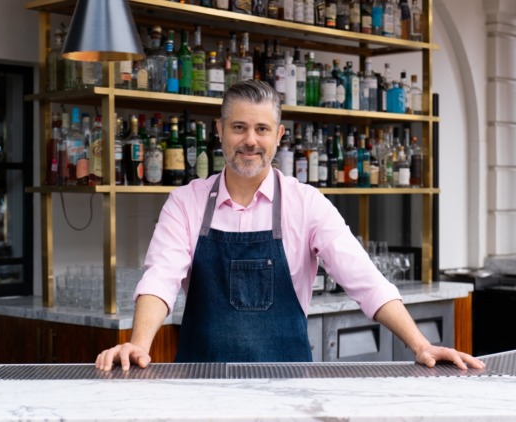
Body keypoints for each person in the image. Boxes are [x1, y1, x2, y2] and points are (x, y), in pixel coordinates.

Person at [96, 80, 485, 370]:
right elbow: (160, 278)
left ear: (279, 136)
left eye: (262, 129)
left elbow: (366, 281)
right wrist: (139, 345)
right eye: (239, 128)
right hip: (202, 385)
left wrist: (420, 345)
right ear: (219, 131)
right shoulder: (186, 202)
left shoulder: (307, 204)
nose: (250, 140)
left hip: (290, 385)